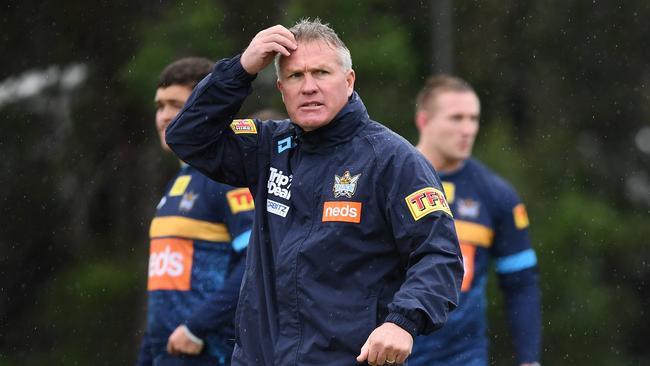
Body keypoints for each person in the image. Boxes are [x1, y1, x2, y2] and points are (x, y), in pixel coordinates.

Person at [165, 19, 464, 366]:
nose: (308, 87)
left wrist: (403, 323)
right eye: (295, 76)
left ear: (349, 81)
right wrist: (241, 69)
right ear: (280, 88)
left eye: (321, 73)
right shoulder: (269, 147)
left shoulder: (394, 160)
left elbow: (439, 254)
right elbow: (186, 135)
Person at [409, 75, 542, 366]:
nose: (467, 129)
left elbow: (521, 284)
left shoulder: (497, 195)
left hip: (462, 357)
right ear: (424, 121)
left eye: (473, 119)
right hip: (389, 352)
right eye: (456, 118)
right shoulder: (388, 177)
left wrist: (529, 359)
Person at [137, 57, 255, 366]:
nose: (164, 117)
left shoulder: (226, 177)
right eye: (159, 106)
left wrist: (196, 327)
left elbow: (254, 260)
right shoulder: (178, 182)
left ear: (204, 105)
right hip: (168, 353)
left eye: (175, 105)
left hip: (211, 352)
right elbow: (164, 293)